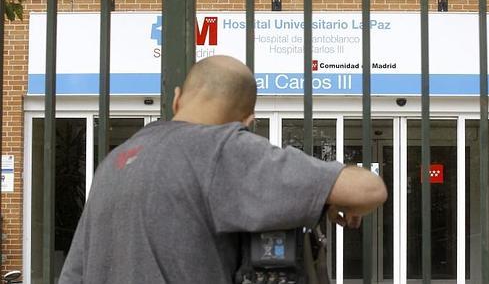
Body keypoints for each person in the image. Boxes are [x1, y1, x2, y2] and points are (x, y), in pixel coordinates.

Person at [59, 55, 387, 284]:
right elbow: (370, 190)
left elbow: (75, 273)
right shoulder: (225, 150)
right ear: (248, 120)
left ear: (176, 99)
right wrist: (330, 199)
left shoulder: (116, 162)